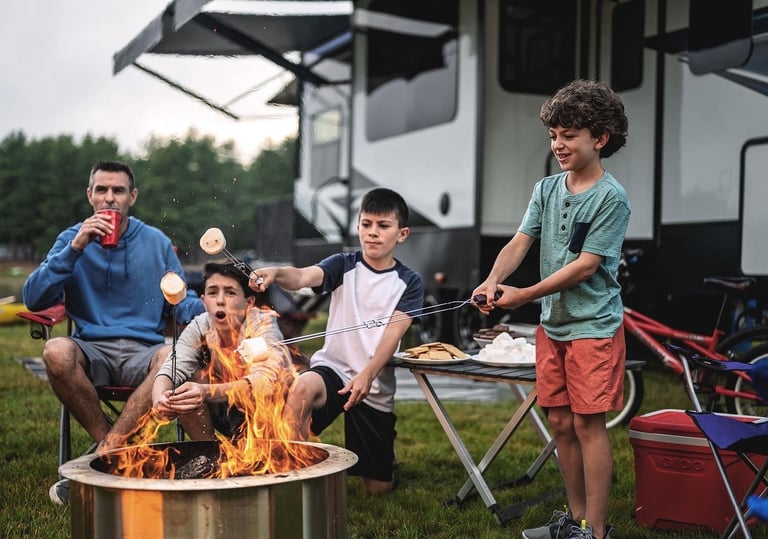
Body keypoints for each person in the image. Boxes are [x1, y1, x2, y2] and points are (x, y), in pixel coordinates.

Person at [472, 80, 630, 539]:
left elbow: (584, 267)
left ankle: (595, 530)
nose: (558, 145)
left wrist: (523, 296)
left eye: (569, 136)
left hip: (593, 328)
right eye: (553, 136)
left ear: (599, 138)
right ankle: (575, 519)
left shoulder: (611, 198)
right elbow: (521, 241)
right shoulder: (546, 188)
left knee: (587, 424)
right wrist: (494, 280)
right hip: (553, 328)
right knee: (559, 422)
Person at [22, 160, 204, 504]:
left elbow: (181, 300)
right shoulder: (69, 239)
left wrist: (217, 305)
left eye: (118, 190)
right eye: (101, 190)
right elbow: (34, 298)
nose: (109, 199)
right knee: (55, 351)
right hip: (91, 350)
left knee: (173, 355)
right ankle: (120, 450)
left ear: (131, 197)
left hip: (145, 352)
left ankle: (107, 455)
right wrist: (75, 249)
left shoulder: (155, 241)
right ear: (89, 196)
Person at [248, 187, 424, 494]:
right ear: (357, 226)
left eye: (383, 226)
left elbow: (392, 335)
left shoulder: (410, 282)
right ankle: (292, 477)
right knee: (302, 387)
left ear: (402, 233)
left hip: (373, 383)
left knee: (378, 488)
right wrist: (277, 272)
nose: (372, 233)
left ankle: (385, 464)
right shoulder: (344, 264)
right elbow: (302, 277)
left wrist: (367, 375)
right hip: (334, 370)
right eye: (366, 224)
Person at [152, 262, 295, 441]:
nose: (220, 300)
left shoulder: (262, 323)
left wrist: (205, 391)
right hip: (225, 409)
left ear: (248, 302)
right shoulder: (201, 324)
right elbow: (172, 367)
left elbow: (265, 383)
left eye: (230, 292)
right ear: (203, 301)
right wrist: (159, 399)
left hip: (271, 415)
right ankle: (208, 456)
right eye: (213, 292)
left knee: (199, 389)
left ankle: (260, 458)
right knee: (185, 389)